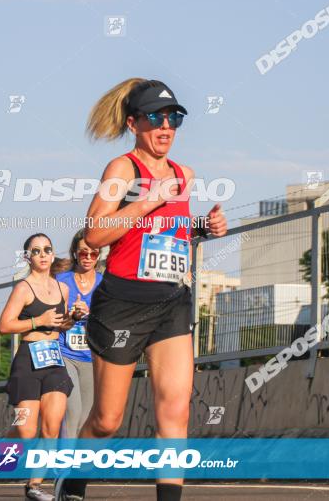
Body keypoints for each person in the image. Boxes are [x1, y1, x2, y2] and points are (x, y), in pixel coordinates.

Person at [55, 79, 227, 501]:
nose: (165, 126)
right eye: (155, 118)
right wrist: (148, 199)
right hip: (122, 305)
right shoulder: (123, 169)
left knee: (175, 409)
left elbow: (169, 232)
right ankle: (72, 478)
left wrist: (204, 227)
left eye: (174, 118)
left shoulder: (184, 175)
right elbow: (94, 235)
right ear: (134, 123)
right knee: (107, 420)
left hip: (171, 302)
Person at [0, 234, 79, 501]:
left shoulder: (62, 289)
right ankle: (5, 446)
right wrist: (37, 321)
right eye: (36, 251)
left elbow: (61, 324)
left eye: (47, 249)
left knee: (51, 427)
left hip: (53, 361)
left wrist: (73, 318)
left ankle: (34, 485)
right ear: (28, 257)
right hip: (28, 360)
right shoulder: (23, 288)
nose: (43, 255)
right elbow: (5, 325)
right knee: (25, 429)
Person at [56, 231, 102, 439]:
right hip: (64, 353)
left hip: (91, 356)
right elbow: (52, 319)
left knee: (85, 416)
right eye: (84, 253)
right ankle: (62, 469)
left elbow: (109, 321)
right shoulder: (61, 281)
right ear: (75, 253)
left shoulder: (104, 283)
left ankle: (73, 466)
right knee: (72, 411)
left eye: (94, 253)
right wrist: (72, 315)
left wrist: (90, 314)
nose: (89, 258)